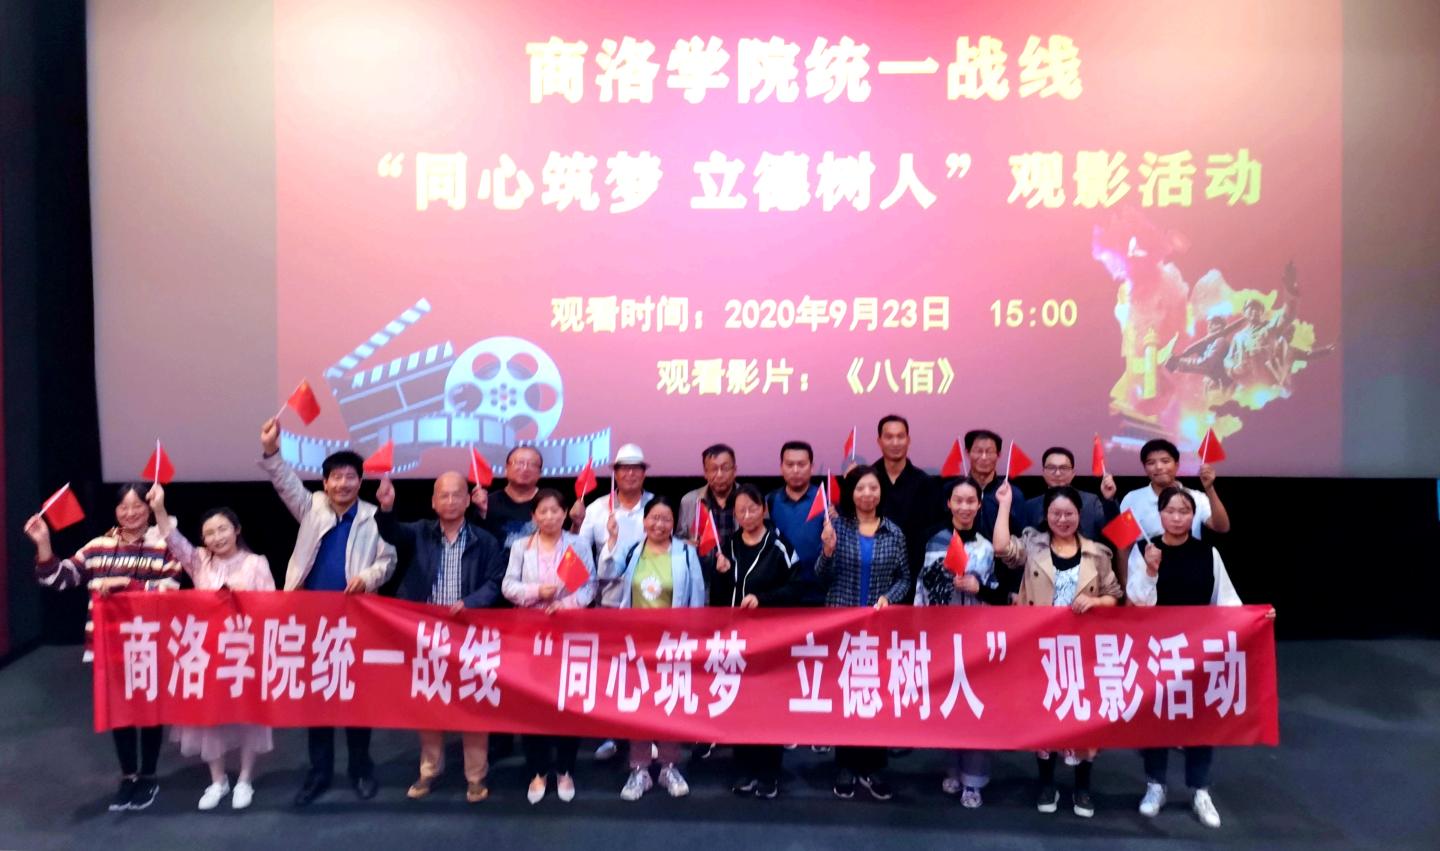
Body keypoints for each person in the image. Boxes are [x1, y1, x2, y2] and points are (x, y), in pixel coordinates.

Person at [258, 418, 396, 806]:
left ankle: (360, 769)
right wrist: (271, 450)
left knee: (357, 699)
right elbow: (285, 482)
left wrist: (367, 577)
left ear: (360, 481)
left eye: (350, 477)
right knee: (317, 698)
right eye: (336, 477)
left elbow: (388, 560)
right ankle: (319, 773)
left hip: (357, 620)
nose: (343, 484)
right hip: (310, 620)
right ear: (325, 482)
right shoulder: (312, 508)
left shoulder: (373, 516)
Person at [24, 483, 183, 812]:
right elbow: (58, 578)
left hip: (150, 643)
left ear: (149, 508)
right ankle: (128, 776)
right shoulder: (99, 546)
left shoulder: (164, 544)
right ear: (115, 511)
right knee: (120, 711)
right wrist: (43, 543)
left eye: (138, 506)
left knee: (150, 711)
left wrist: (126, 584)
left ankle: (149, 776)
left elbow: (171, 590)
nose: (131, 513)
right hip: (109, 644)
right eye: (124, 507)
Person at [375, 471, 506, 805]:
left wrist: (471, 602)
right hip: (427, 634)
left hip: (469, 633)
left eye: (456, 495)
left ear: (467, 500)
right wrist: (386, 508)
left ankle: (475, 776)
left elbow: (495, 582)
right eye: (443, 495)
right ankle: (429, 770)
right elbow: (391, 532)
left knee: (473, 704)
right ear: (433, 502)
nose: (450, 501)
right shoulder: (419, 532)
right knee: (429, 703)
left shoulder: (484, 539)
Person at [994, 481, 1121, 818]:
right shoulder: (1032, 545)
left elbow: (1114, 595)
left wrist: (1096, 602)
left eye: (1069, 513)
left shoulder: (1097, 552)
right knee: (1045, 718)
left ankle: (1082, 787)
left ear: (1079, 514)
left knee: (1085, 721)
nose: (1062, 520)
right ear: (1046, 515)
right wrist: (1004, 505)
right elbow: (1002, 548)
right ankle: (1047, 783)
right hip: (1040, 649)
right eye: (1056, 514)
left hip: (1084, 651)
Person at [1127, 486, 1249, 829]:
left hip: (1198, 650)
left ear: (1193, 516)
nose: (1177, 518)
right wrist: (1150, 571)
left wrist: (1253, 619)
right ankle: (1155, 785)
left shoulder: (1208, 552)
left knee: (1200, 720)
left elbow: (1226, 599)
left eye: (1184, 511)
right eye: (1171, 511)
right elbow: (1137, 602)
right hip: (1157, 649)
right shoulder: (1146, 549)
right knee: (1156, 718)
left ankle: (1200, 790)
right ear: (1160, 514)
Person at [148, 488, 274, 811]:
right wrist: (159, 508)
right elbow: (172, 538)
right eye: (209, 533)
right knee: (209, 717)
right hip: (205, 653)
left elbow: (272, 608)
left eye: (222, 529)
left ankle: (244, 780)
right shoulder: (199, 561)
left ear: (237, 530)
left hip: (244, 653)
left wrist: (245, 598)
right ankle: (218, 780)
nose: (217, 537)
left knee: (248, 716)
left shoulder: (256, 563)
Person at [816, 465, 911, 801]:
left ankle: (873, 767)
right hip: (841, 629)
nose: (867, 494)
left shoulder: (894, 532)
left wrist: (890, 597)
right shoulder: (836, 527)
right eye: (860, 488)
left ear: (881, 492)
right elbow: (821, 576)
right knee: (847, 696)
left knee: (876, 697)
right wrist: (828, 550)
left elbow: (904, 578)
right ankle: (845, 766)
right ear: (851, 493)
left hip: (879, 630)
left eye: (873, 488)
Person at [601, 497, 706, 801]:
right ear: (644, 521)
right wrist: (612, 540)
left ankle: (669, 767)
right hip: (637, 644)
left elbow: (698, 598)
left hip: (673, 644)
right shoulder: (634, 550)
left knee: (669, 704)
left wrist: (694, 640)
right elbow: (607, 571)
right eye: (654, 518)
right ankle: (639, 769)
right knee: (639, 706)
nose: (659, 524)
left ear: (674, 524)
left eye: (666, 519)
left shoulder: (686, 553)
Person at [502, 489, 598, 804]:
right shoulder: (521, 546)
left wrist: (565, 605)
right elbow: (508, 586)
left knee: (568, 704)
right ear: (533, 516)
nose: (549, 516)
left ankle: (565, 769)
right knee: (533, 706)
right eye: (542, 511)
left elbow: (590, 586)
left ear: (565, 513)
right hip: (530, 637)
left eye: (555, 510)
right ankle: (538, 770)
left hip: (569, 635)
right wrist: (535, 592)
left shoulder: (577, 544)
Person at [918, 476, 1006, 808]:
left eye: (971, 501)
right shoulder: (936, 541)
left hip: (976, 640)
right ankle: (953, 768)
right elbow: (923, 587)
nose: (965, 507)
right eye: (959, 500)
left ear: (979, 505)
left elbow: (998, 591)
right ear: (949, 504)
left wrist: (978, 587)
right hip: (942, 637)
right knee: (950, 705)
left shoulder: (986, 546)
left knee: (976, 706)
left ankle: (974, 780)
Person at [712, 484, 801, 799]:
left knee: (769, 707)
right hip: (736, 641)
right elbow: (719, 597)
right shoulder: (728, 546)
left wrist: (763, 599)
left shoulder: (779, 545)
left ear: (764, 510)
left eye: (752, 509)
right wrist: (719, 573)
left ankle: (769, 773)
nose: (747, 515)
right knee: (741, 705)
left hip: (770, 640)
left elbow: (796, 589)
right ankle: (744, 769)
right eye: (741, 511)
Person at [576, 443, 653, 763]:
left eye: (636, 468)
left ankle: (646, 733)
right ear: (615, 473)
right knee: (611, 670)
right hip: (607, 602)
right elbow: (579, 552)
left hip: (648, 604)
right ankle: (609, 733)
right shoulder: (596, 509)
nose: (630, 473)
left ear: (644, 473)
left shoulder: (655, 506)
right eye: (624, 468)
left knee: (645, 670)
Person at [1117, 438, 1231, 585]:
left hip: (1190, 574)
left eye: (1165, 461)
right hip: (1147, 578)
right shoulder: (1132, 499)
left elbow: (1222, 527)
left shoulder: (1196, 497)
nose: (1159, 467)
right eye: (1151, 463)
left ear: (1177, 465)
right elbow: (1123, 547)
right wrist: (1126, 587)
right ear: (1144, 467)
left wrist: (1209, 489)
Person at [872, 415, 941, 600]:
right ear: (879, 441)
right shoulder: (867, 482)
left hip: (914, 575)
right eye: (889, 437)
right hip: (873, 575)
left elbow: (934, 531)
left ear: (908, 440)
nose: (895, 443)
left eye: (900, 436)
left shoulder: (925, 483)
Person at [764, 441, 826, 607]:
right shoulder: (769, 501)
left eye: (801, 464)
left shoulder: (826, 501)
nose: (796, 470)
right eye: (790, 464)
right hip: (781, 593)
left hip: (818, 594)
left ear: (812, 467)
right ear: (781, 467)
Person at [1023, 447, 1119, 541]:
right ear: (1043, 473)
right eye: (1051, 468)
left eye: (1063, 468)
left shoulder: (1090, 501)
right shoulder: (1031, 506)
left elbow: (1115, 533)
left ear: (1073, 473)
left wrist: (1109, 499)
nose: (1057, 473)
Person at [473, 445, 548, 557]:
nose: (525, 468)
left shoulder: (549, 502)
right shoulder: (487, 502)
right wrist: (481, 513)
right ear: (506, 469)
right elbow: (477, 542)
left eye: (532, 464)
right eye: (519, 463)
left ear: (540, 473)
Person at [677, 443, 739, 573]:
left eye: (725, 468)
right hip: (703, 575)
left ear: (735, 470)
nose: (720, 474)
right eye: (713, 469)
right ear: (705, 473)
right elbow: (678, 540)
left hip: (741, 574)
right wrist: (687, 543)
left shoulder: (750, 500)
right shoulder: (690, 501)